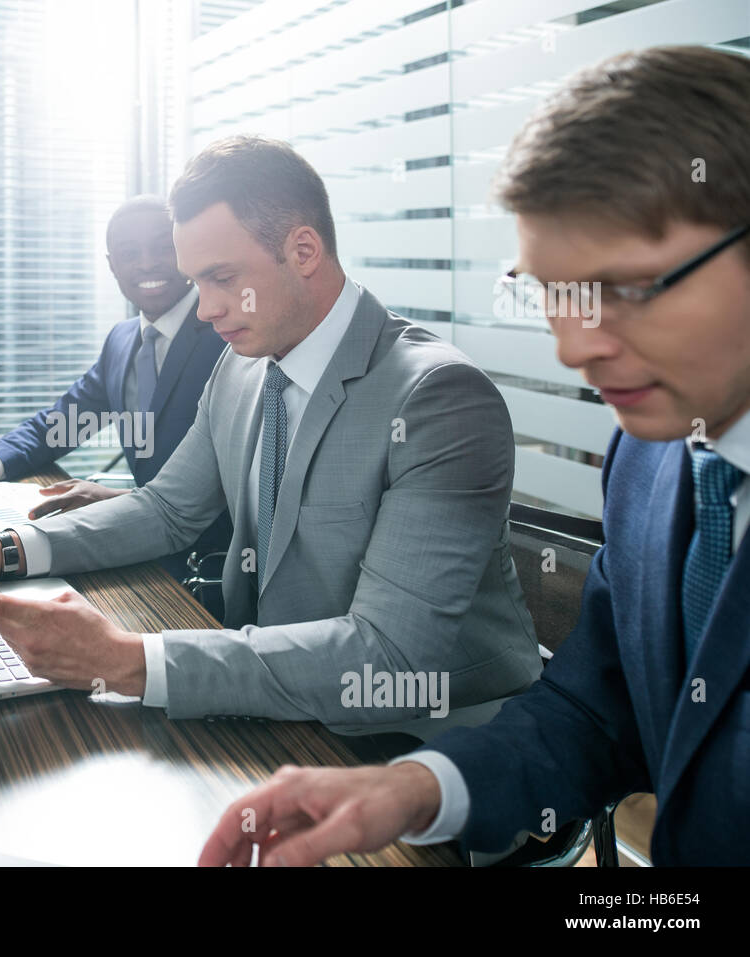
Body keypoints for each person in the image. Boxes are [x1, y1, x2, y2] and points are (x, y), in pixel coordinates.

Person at [198, 45, 750, 867]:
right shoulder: (650, 462)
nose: (575, 350)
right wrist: (415, 788)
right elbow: (597, 715)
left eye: (627, 287)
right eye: (552, 294)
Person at [0, 135, 541, 735]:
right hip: (271, 702)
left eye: (219, 278)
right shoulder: (242, 364)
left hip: (417, 737)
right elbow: (169, 510)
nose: (204, 309)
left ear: (303, 251)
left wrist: (133, 661)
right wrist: (9, 550)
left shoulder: (438, 399)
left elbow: (391, 656)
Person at [0, 195, 231, 606]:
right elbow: (63, 422)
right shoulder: (123, 340)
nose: (147, 263)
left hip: (206, 569)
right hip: (136, 554)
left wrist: (124, 501)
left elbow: (241, 488)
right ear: (112, 265)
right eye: (130, 253)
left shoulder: (229, 334)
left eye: (163, 247)